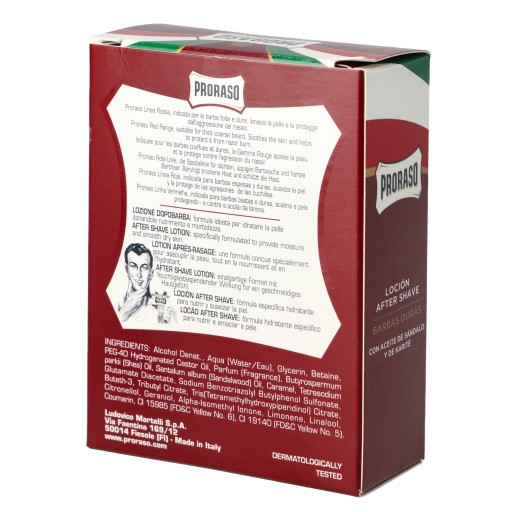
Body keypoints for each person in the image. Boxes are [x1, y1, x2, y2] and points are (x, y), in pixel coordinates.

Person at [118, 243, 175, 324]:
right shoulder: (119, 303)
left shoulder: (161, 310)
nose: (139, 274)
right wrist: (125, 311)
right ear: (126, 269)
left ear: (151, 273)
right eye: (133, 266)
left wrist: (165, 324)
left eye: (144, 267)